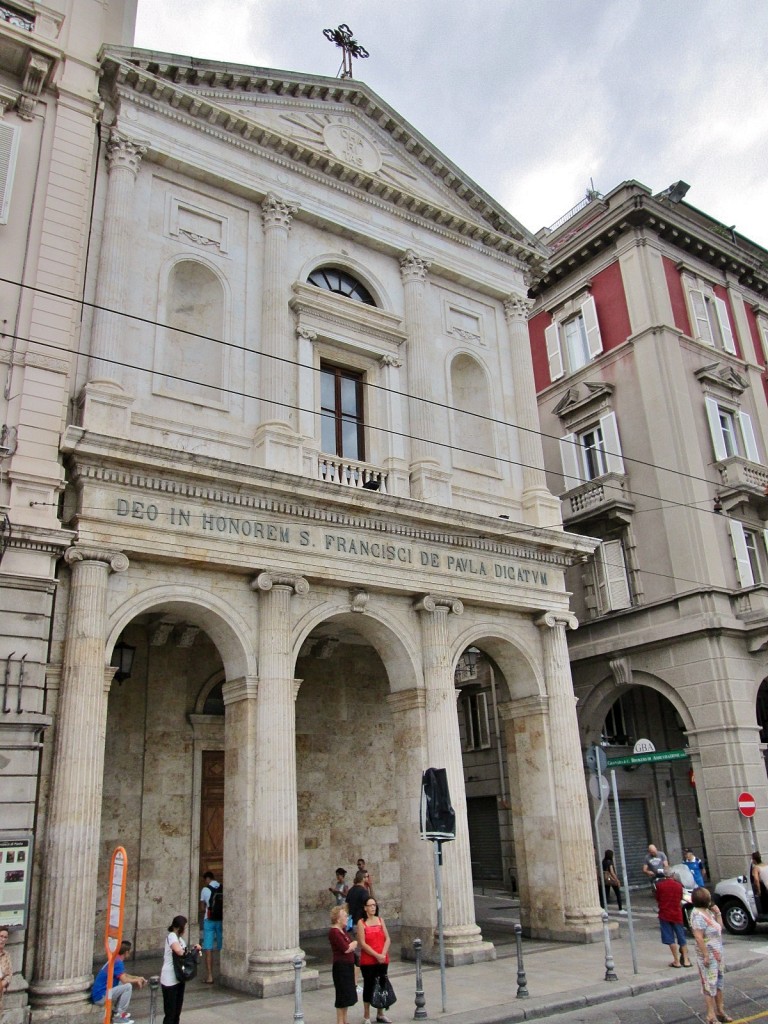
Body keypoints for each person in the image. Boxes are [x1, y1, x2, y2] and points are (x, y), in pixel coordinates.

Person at [690, 886, 731, 1024]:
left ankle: (720, 1011)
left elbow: (719, 928)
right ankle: (710, 1015)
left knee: (719, 983)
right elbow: (698, 937)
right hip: (708, 956)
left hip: (717, 954)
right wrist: (706, 955)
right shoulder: (697, 915)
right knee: (709, 985)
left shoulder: (707, 912)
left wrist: (718, 913)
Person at [91, 939, 146, 1023]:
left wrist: (137, 978)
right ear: (126, 952)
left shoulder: (114, 959)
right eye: (129, 951)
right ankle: (119, 1016)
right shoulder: (118, 962)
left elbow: (124, 975)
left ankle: (116, 1012)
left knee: (121, 983)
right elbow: (124, 979)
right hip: (101, 996)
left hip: (99, 994)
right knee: (127, 986)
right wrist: (136, 981)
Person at [357, 895, 392, 1024]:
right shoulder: (362, 923)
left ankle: (380, 1013)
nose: (373, 907)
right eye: (370, 905)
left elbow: (387, 938)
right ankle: (366, 1016)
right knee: (369, 986)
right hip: (369, 960)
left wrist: (382, 954)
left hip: (382, 958)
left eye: (374, 905)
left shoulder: (380, 920)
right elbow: (362, 943)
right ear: (365, 908)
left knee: (381, 985)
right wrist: (376, 955)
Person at [160, 915, 200, 1024]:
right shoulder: (172, 936)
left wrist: (194, 950)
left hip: (179, 977)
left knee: (177, 1011)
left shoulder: (180, 940)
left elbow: (185, 954)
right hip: (169, 978)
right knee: (170, 1012)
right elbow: (179, 951)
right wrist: (191, 952)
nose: (185, 930)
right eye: (184, 927)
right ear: (179, 927)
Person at [654, 867, 692, 969]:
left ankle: (676, 960)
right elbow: (680, 898)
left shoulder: (659, 886)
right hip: (677, 914)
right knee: (681, 937)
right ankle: (686, 959)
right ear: (673, 874)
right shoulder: (679, 886)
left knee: (670, 938)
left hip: (665, 914)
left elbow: (658, 898)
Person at [328, 905, 358, 1024]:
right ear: (338, 918)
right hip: (341, 967)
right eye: (344, 916)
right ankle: (340, 1021)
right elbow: (346, 948)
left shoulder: (343, 930)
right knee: (341, 994)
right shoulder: (334, 932)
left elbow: (351, 943)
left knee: (347, 995)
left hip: (348, 965)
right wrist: (353, 944)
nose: (347, 918)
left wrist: (353, 944)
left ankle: (345, 1020)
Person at [199, 870, 222, 984]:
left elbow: (202, 907)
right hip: (221, 920)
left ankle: (210, 976)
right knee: (222, 947)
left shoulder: (205, 889)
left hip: (209, 920)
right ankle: (224, 973)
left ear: (207, 879)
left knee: (208, 948)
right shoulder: (222, 886)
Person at [601, 850, 625, 914]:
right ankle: (620, 909)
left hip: (606, 879)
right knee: (618, 894)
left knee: (606, 894)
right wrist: (617, 880)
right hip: (612, 879)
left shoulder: (603, 861)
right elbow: (612, 872)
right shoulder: (610, 862)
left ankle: (604, 909)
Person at [0, 927, 12, 1013]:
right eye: (0, 936)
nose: (3, 939)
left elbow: (9, 974)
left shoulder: (6, 955)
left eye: (5, 937)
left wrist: (3, 983)